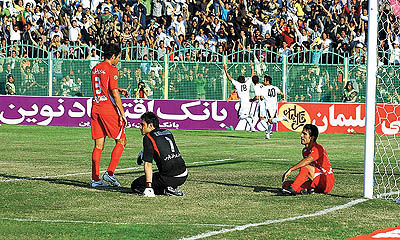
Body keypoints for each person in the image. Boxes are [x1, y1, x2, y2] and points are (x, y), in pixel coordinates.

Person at [90, 43, 129, 188]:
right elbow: (113, 93)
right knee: (122, 141)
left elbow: (103, 86)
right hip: (107, 109)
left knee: (99, 145)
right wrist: (122, 113)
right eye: (118, 57)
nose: (118, 60)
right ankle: (110, 173)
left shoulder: (95, 68)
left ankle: (95, 179)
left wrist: (118, 89)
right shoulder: (112, 69)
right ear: (113, 56)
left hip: (95, 107)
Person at [132, 111, 188, 197]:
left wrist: (149, 187)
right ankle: (170, 187)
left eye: (142, 125)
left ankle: (166, 190)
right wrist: (143, 152)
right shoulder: (168, 132)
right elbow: (162, 147)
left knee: (136, 185)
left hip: (170, 177)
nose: (140, 127)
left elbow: (148, 164)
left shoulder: (148, 137)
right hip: (184, 174)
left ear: (150, 125)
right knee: (161, 173)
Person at [281, 124, 335, 195]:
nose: (301, 136)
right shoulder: (305, 151)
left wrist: (291, 169)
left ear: (312, 138)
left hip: (326, 180)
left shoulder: (318, 148)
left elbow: (307, 161)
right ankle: (306, 190)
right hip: (315, 179)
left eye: (304, 134)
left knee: (305, 166)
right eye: (302, 133)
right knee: (286, 185)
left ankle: (293, 189)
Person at [223, 64, 256, 132]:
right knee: (244, 116)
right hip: (248, 102)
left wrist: (226, 71)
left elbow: (230, 78)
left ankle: (250, 116)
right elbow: (252, 75)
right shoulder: (247, 83)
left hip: (243, 102)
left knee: (241, 116)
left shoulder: (237, 84)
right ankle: (252, 128)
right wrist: (252, 67)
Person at [259, 75, 288, 139]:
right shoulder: (275, 88)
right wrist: (282, 98)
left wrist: (262, 99)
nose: (263, 81)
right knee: (270, 122)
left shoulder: (264, 88)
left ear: (267, 81)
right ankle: (267, 134)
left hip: (268, 106)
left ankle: (282, 118)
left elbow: (261, 97)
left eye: (264, 80)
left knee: (271, 120)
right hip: (274, 106)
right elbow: (282, 93)